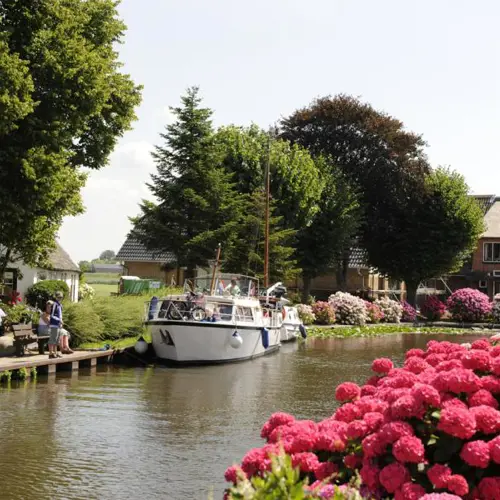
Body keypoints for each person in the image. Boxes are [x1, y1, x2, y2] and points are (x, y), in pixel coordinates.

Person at [48, 291, 64, 359]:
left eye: (61, 297)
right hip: (54, 324)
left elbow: (60, 315)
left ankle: (55, 352)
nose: (59, 298)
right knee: (53, 339)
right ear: (56, 297)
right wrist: (59, 320)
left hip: (58, 324)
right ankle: (51, 353)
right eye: (58, 297)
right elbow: (52, 315)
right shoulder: (55, 304)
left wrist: (60, 322)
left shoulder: (60, 305)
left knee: (57, 339)